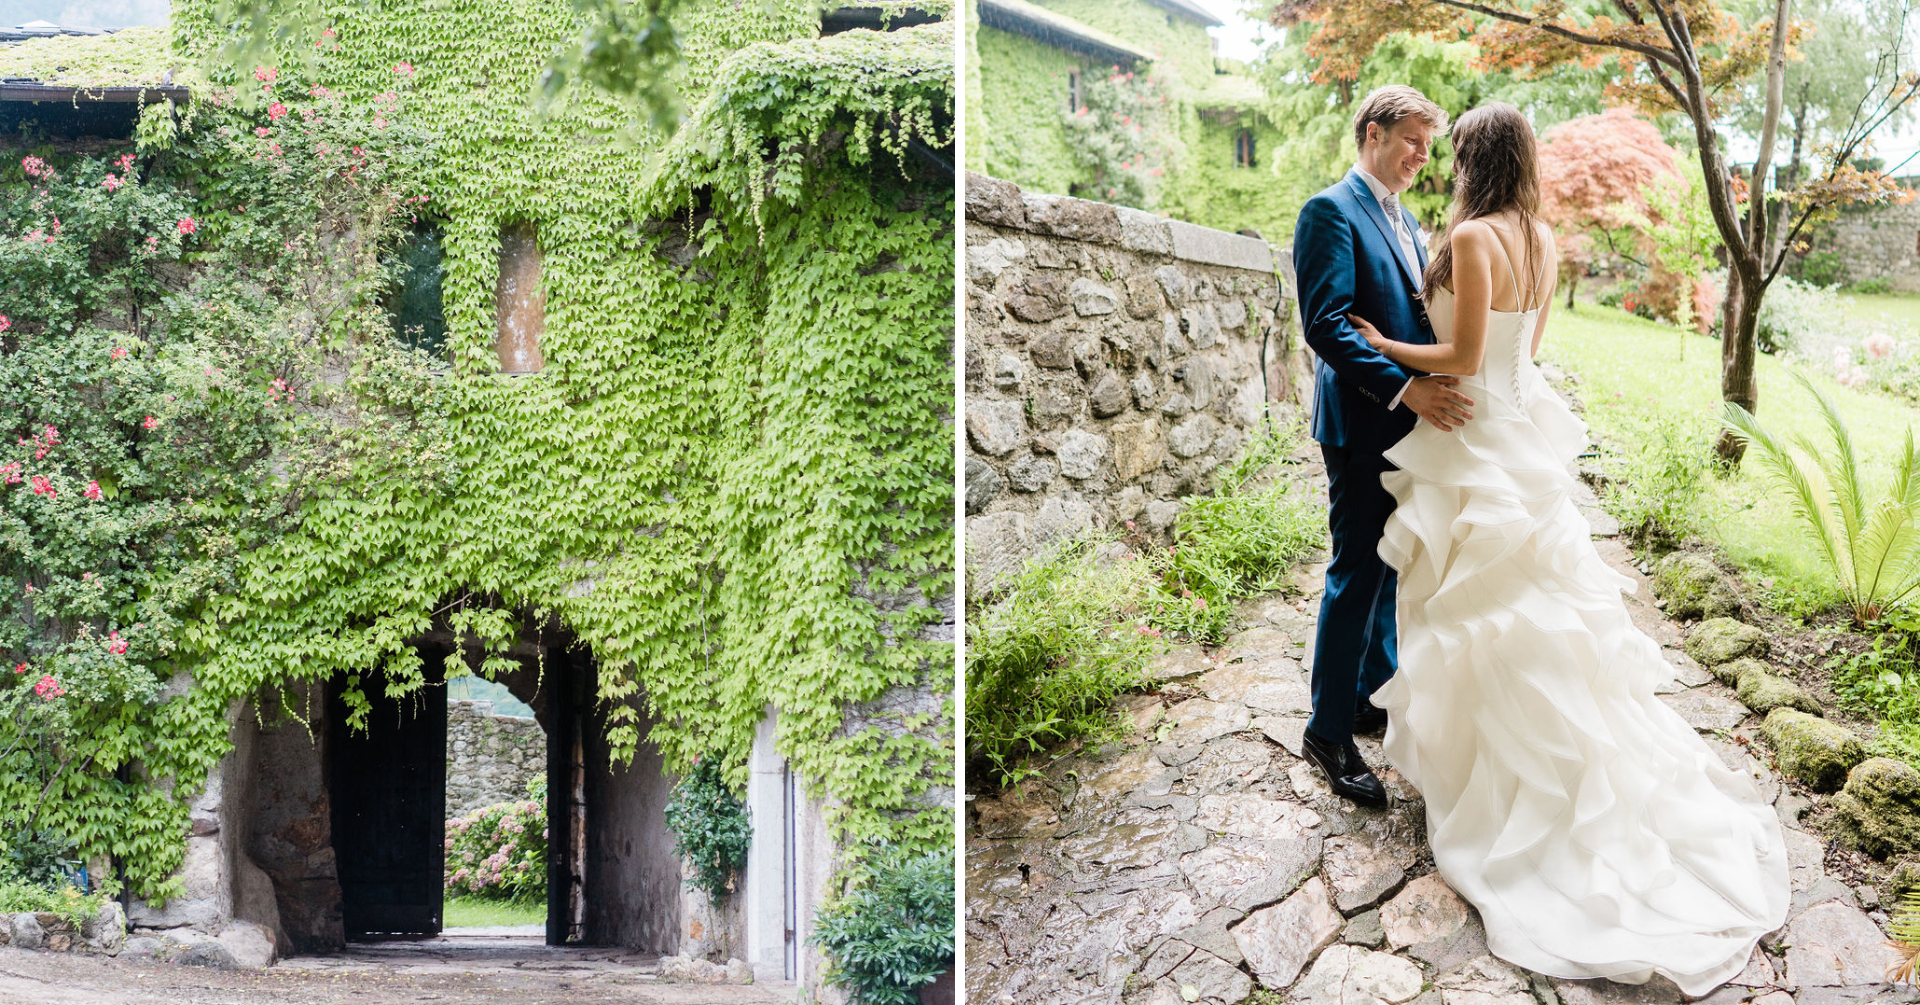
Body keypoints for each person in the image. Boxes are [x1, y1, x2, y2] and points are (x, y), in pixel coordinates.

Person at [1348, 101, 1789, 994]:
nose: (1447, 164)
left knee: (1477, 616)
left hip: (1474, 438)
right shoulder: (1540, 242)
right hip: (1518, 431)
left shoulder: (1472, 239)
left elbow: (1462, 355)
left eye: (1457, 151)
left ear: (1479, 158)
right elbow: (1526, 354)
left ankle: (1503, 790)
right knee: (1521, 619)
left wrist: (1378, 341)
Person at [1291, 85, 1472, 807]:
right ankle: (1328, 730)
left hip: (1406, 426)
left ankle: (1368, 694)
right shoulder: (1330, 211)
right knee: (1356, 571)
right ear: (1372, 132)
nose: (1420, 159)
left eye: (1428, 149)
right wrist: (1406, 390)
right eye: (1411, 143)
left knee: (1391, 569)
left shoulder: (1408, 219)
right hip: (1364, 421)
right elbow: (1327, 325)